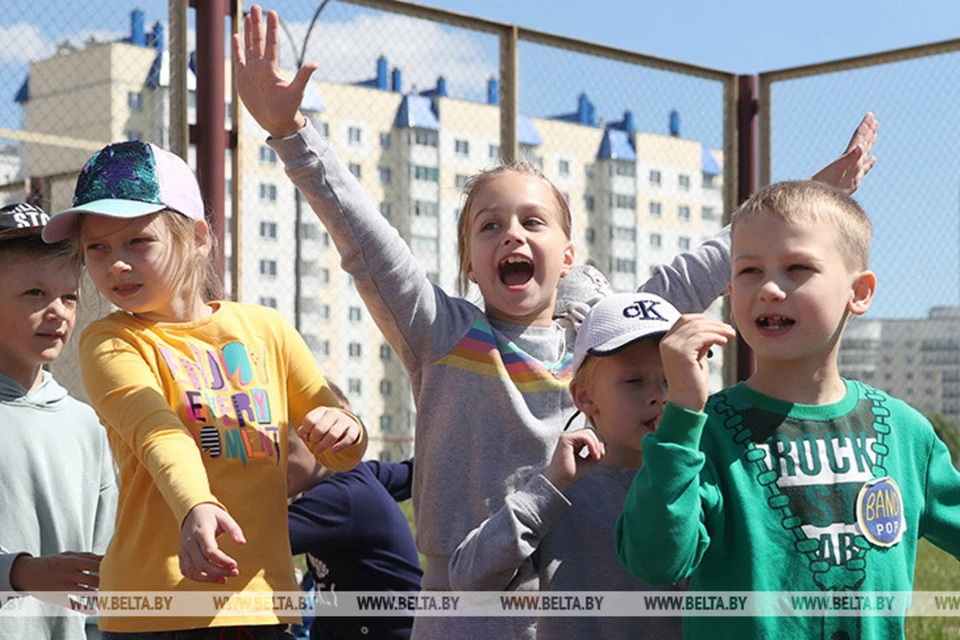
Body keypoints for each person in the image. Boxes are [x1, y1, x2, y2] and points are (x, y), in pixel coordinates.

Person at [233, 7, 877, 637]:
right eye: (490, 225)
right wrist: (292, 133)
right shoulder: (440, 333)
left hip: (582, 597)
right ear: (470, 263)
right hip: (463, 602)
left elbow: (699, 269)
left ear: (568, 255)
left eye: (533, 222)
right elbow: (364, 239)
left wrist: (811, 200)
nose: (511, 233)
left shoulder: (600, 336)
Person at [42, 141, 368, 638]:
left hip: (262, 602)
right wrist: (197, 504)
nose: (116, 265)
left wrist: (346, 430)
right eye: (97, 249)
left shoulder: (268, 329)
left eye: (138, 241)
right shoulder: (109, 341)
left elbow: (341, 446)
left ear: (197, 237)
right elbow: (158, 431)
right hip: (154, 607)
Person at [616, 181, 960, 639]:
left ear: (859, 292)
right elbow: (655, 561)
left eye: (798, 268)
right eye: (749, 271)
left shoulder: (905, 433)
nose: (770, 289)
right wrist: (680, 415)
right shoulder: (704, 431)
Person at [451, 291, 715, 639]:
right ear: (584, 397)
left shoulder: (706, 479)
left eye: (672, 379)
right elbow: (469, 584)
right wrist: (546, 490)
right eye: (635, 380)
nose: (659, 395)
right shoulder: (559, 487)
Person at [0, 202, 117, 640]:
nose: (59, 312)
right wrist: (19, 572)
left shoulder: (86, 425)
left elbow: (104, 572)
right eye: (35, 293)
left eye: (69, 297)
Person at [286, 385, 422, 640]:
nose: (274, 462)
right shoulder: (360, 477)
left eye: (286, 448)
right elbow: (413, 474)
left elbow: (256, 542)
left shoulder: (335, 500)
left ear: (323, 443)